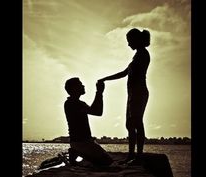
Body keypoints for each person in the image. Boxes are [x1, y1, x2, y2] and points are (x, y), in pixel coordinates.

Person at [98, 28, 151, 164]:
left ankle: (138, 156)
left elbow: (132, 75)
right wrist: (105, 78)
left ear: (136, 40)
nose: (128, 44)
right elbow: (124, 73)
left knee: (137, 123)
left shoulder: (143, 54)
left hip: (139, 93)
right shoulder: (136, 56)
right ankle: (131, 155)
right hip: (133, 94)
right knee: (129, 124)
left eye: (129, 41)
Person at [64, 77, 113, 166]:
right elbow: (97, 111)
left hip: (83, 142)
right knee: (106, 162)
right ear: (74, 88)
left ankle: (75, 152)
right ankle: (77, 152)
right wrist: (99, 92)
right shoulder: (73, 104)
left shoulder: (76, 103)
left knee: (107, 160)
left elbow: (98, 112)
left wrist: (99, 93)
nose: (83, 86)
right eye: (80, 84)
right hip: (81, 142)